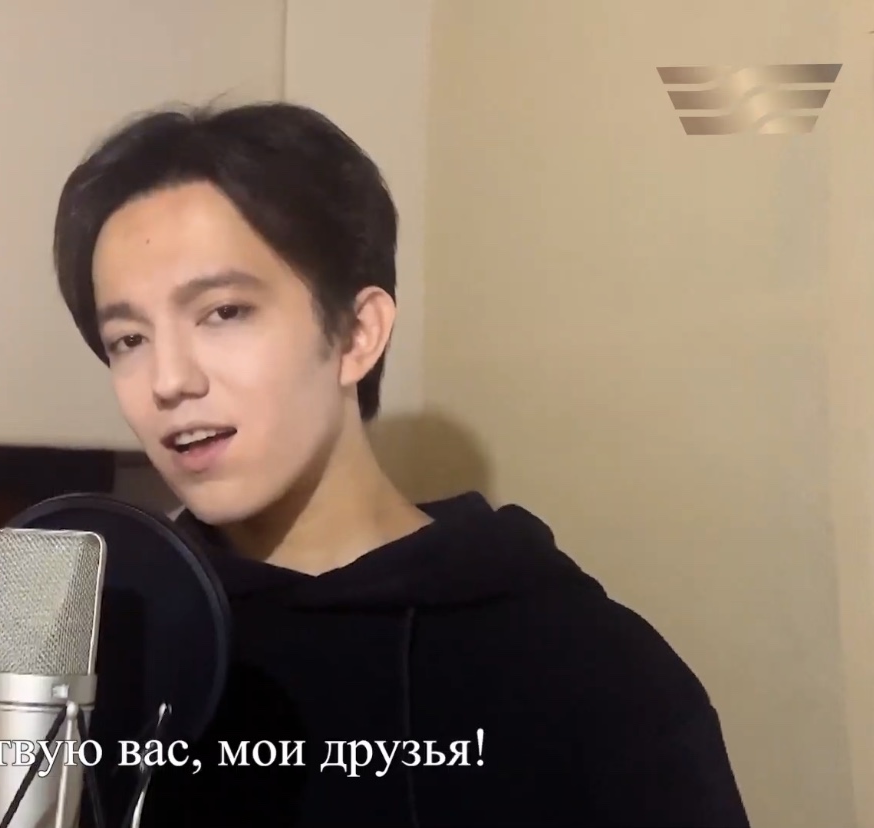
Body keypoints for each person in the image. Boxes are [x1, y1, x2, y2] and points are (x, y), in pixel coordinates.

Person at [50, 101, 751, 827]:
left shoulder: (585, 665)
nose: (168, 380)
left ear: (357, 334)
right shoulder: (105, 654)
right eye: (128, 340)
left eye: (223, 312)